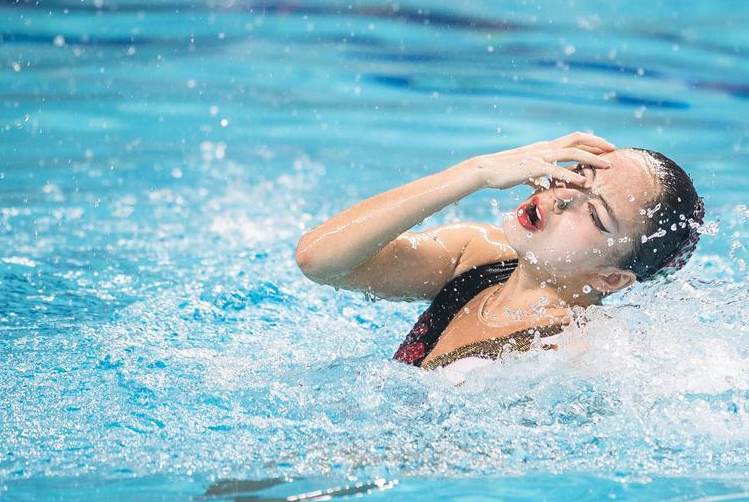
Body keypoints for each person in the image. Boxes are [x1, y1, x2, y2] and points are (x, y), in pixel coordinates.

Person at [295, 132, 703, 379]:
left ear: (610, 279)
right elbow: (319, 259)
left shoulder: (578, 353)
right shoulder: (476, 256)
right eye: (578, 175)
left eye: (594, 214)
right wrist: (478, 171)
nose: (562, 197)